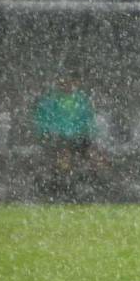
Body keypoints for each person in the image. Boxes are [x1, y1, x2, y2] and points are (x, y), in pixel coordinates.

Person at [32, 73, 106, 202]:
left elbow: (89, 121)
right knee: (64, 156)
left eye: (71, 82)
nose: (68, 85)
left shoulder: (82, 100)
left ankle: (96, 187)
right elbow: (42, 122)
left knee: (95, 157)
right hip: (56, 138)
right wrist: (49, 135)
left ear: (76, 83)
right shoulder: (49, 101)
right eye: (65, 81)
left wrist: (87, 137)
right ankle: (62, 188)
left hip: (79, 138)